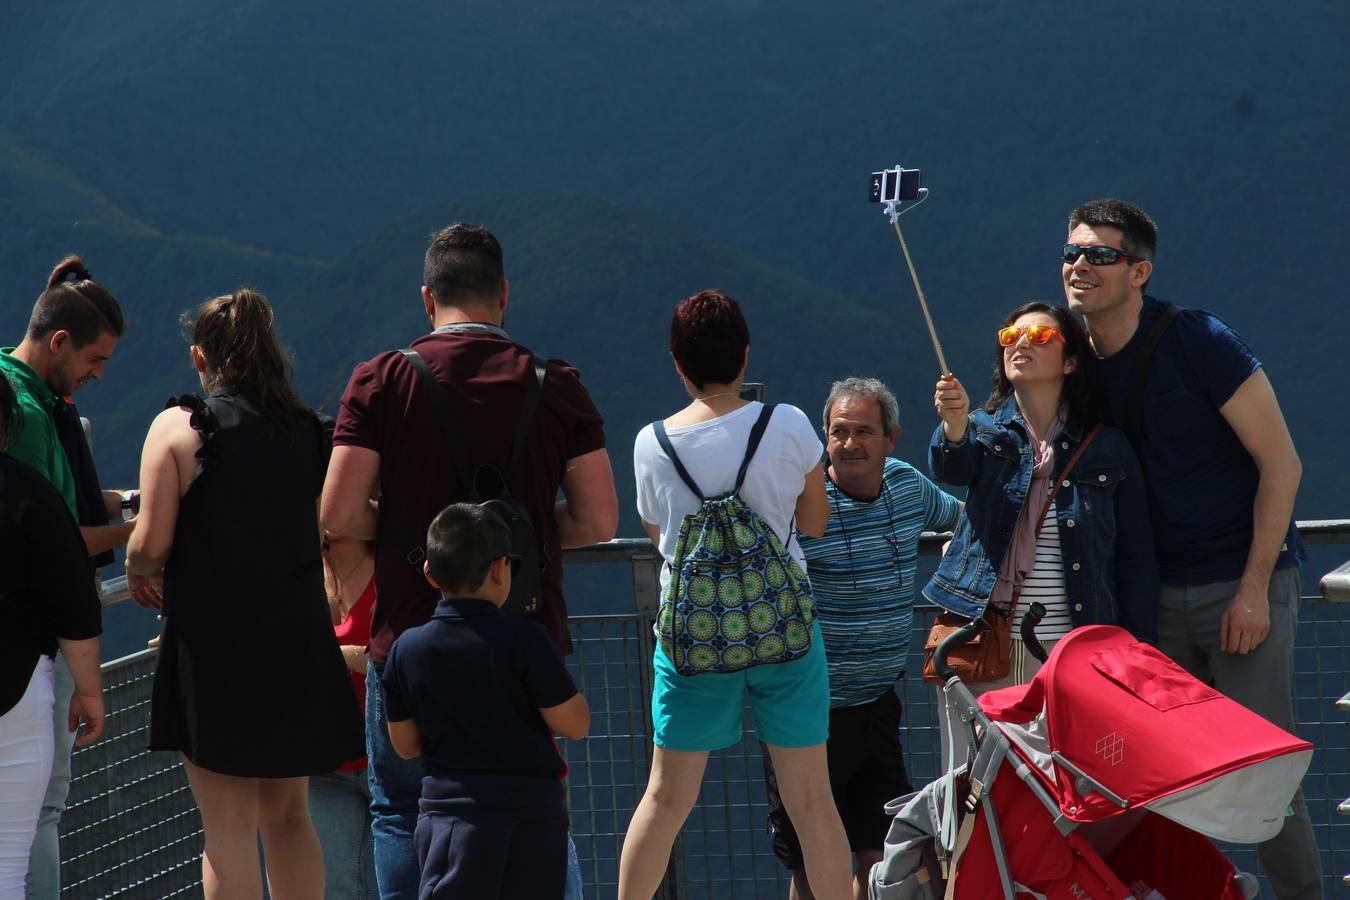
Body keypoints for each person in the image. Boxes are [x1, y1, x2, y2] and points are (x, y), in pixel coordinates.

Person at [321, 223, 617, 899]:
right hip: (525, 634)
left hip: (409, 639)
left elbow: (336, 513)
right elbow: (599, 521)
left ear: (428, 299)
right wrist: (519, 543)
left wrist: (411, 540)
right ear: (503, 296)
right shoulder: (556, 384)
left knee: (400, 811)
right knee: (539, 808)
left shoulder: (382, 379)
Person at [1061, 198, 1321, 898]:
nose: (1080, 266)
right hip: (1150, 602)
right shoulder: (1072, 360)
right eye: (1073, 253)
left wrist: (1253, 589)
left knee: (1266, 776)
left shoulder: (1198, 341)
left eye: (1100, 254)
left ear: (1140, 270)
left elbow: (1283, 465)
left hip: (1239, 586)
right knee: (1155, 777)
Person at [126, 289, 364, 899]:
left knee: (225, 825)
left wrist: (136, 569)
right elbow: (331, 528)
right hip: (296, 643)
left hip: (213, 651)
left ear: (202, 358)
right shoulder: (311, 433)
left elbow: (150, 545)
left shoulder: (183, 429)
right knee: (289, 815)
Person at [620, 289, 852, 900]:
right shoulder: (789, 423)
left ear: (677, 362)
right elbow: (816, 521)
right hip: (785, 630)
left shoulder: (651, 444)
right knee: (811, 802)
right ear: (745, 356)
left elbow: (660, 538)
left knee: (666, 798)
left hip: (693, 640)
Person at [763, 377, 960, 899]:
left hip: (876, 706)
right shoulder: (799, 500)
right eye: (838, 431)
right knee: (810, 862)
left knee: (884, 857)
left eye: (864, 432)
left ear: (891, 438)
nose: (849, 444)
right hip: (804, 711)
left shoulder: (907, 486)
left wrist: (953, 550)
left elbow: (964, 523)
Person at [926, 301, 1158, 689]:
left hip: (1075, 645)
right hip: (982, 639)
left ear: (1070, 362)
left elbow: (1135, 557)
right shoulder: (980, 431)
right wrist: (953, 425)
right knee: (979, 752)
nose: (1020, 343)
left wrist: (1138, 646)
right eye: (1010, 336)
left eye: (1039, 336)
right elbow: (953, 469)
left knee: (1064, 751)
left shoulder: (1106, 447)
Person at [0, 255, 132, 897]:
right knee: (39, 818)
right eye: (95, 358)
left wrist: (125, 502)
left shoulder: (16, 386)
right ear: (60, 341)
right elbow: (51, 537)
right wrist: (146, 528)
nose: (99, 375)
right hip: (27, 658)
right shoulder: (24, 417)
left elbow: (61, 501)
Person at [383, 503, 590, 899]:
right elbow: (576, 724)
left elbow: (404, 746)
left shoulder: (406, 649)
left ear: (429, 572)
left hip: (449, 818)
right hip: (530, 817)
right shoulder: (527, 641)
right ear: (500, 568)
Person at [0, 372, 104, 895]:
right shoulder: (28, 493)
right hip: (14, 690)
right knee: (8, 860)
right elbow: (74, 605)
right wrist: (88, 690)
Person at [311, 534, 379, 899]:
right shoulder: (296, 569)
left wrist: (323, 653)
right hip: (322, 761)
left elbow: (397, 658)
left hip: (390, 755)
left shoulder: (396, 566)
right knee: (335, 887)